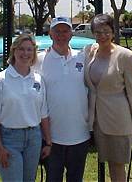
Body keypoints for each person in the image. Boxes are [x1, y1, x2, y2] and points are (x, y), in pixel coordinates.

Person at [0, 34, 51, 182]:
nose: (25, 53)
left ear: (34, 53)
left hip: (34, 138)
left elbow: (43, 113)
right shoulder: (0, 80)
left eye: (29, 50)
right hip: (9, 140)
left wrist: (48, 142)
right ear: (14, 51)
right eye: (21, 49)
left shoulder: (38, 79)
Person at [84, 14, 132, 182]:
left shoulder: (126, 56)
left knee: (117, 167)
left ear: (113, 32)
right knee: (107, 163)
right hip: (97, 121)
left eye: (106, 31)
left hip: (118, 120)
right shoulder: (90, 52)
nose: (102, 36)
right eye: (98, 32)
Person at [41, 16, 90, 182]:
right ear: (50, 34)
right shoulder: (39, 59)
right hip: (52, 138)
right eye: (57, 31)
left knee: (75, 179)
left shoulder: (82, 57)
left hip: (80, 134)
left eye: (65, 31)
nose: (61, 35)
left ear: (71, 34)